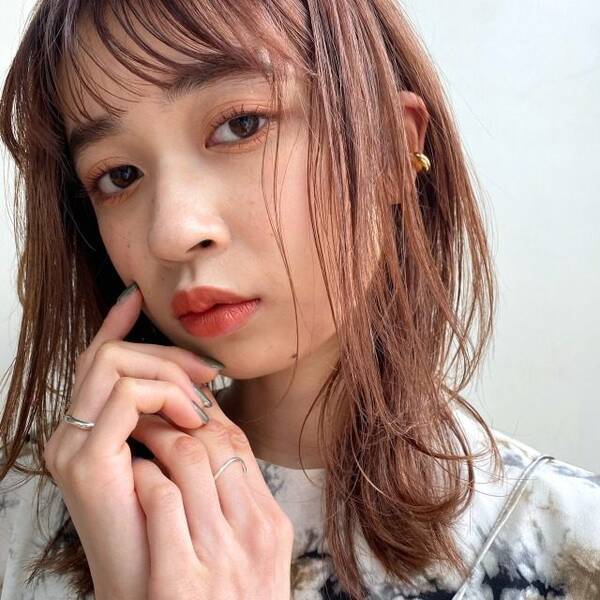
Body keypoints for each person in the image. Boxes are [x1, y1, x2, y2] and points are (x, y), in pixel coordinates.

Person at [0, 0, 598, 598]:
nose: (173, 232)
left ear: (392, 147)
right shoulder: (30, 508)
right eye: (119, 175)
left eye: (241, 125)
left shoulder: (569, 546)